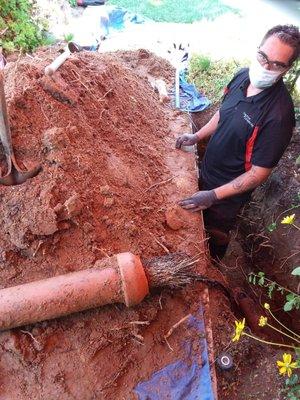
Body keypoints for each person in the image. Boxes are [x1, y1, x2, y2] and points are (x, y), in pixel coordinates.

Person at [176, 25, 300, 259]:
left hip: (227, 195)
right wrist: (197, 136)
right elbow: (223, 112)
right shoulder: (243, 75)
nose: (266, 67)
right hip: (207, 169)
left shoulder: (279, 116)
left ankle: (215, 263)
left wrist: (213, 196)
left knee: (215, 232)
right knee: (194, 227)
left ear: (287, 69)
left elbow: (258, 174)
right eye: (263, 56)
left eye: (277, 64)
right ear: (258, 49)